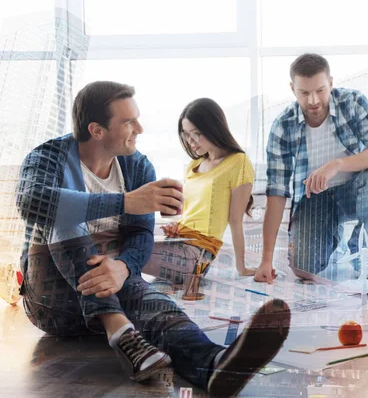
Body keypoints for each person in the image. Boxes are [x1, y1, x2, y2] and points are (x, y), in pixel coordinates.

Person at [15, 81, 290, 396]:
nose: (140, 128)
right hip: (53, 303)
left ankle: (211, 363)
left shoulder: (137, 165)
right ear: (97, 130)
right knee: (61, 215)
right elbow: (32, 202)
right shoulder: (49, 158)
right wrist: (126, 202)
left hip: (110, 289)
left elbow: (141, 236)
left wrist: (122, 266)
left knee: (148, 296)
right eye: (129, 121)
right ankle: (118, 327)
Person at [255, 53, 368, 284]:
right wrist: (266, 259)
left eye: (320, 90)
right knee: (303, 269)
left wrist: (337, 165)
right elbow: (277, 193)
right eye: (304, 93)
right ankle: (334, 239)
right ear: (292, 89)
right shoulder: (283, 125)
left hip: (356, 190)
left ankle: (362, 250)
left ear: (331, 82)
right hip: (315, 199)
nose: (313, 100)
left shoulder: (353, 102)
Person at [144, 98, 256, 290]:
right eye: (187, 135)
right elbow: (192, 214)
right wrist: (175, 228)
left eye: (197, 134)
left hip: (198, 254)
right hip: (179, 242)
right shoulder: (194, 165)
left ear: (214, 128)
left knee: (128, 248)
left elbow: (235, 220)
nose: (191, 141)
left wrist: (242, 267)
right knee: (117, 240)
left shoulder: (239, 162)